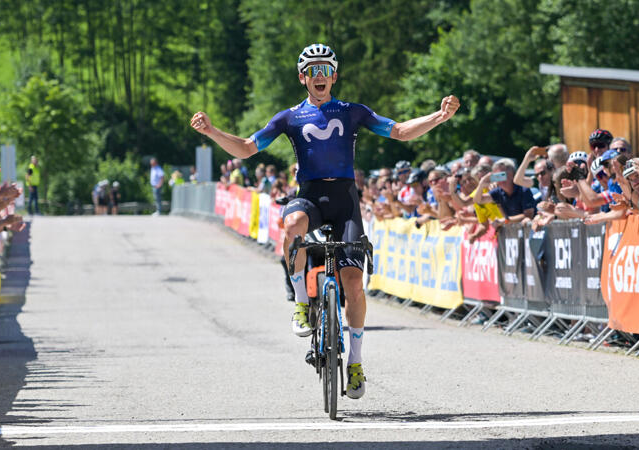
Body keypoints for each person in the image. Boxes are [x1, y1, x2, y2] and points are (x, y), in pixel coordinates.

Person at [190, 43, 459, 400]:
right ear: (302, 78)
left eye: (325, 70)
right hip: (310, 195)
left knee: (354, 283)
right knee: (292, 224)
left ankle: (356, 361)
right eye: (312, 70)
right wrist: (212, 132)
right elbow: (246, 147)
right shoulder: (289, 117)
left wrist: (437, 117)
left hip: (345, 199)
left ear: (334, 76)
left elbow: (400, 131)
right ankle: (302, 303)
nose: (319, 76)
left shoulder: (352, 111)